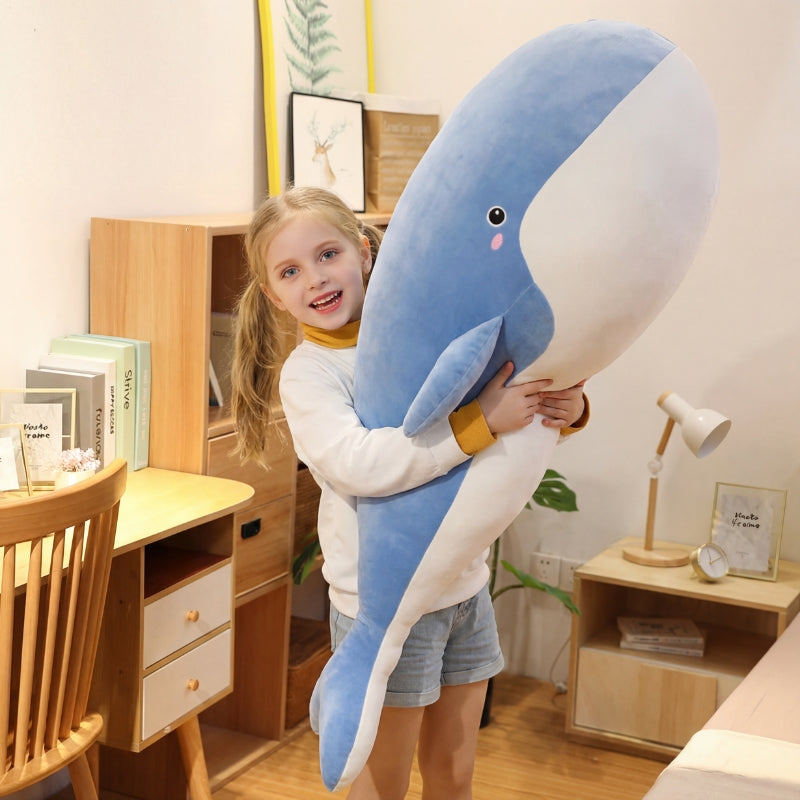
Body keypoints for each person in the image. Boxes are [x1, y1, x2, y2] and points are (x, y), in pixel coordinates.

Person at [231, 186, 588, 800]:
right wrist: (478, 424)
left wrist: (569, 408)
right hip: (384, 604)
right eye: (290, 271)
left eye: (327, 254)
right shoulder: (311, 373)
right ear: (273, 295)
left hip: (463, 587)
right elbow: (359, 463)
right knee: (383, 785)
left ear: (365, 252)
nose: (315, 278)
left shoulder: (424, 334)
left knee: (454, 775)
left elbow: (506, 388)